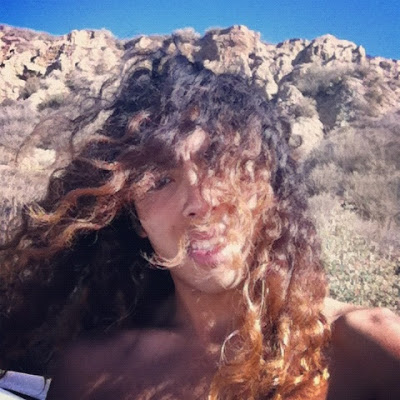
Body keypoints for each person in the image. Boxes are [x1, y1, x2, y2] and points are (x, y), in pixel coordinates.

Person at [0, 55, 399, 400]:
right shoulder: (91, 374)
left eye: (219, 163)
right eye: (160, 180)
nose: (200, 203)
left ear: (268, 185)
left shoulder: (371, 350)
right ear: (135, 216)